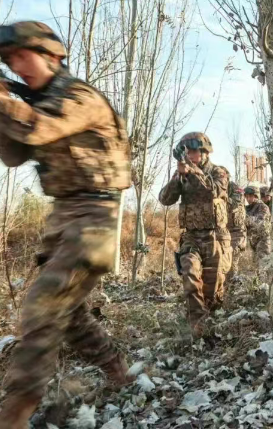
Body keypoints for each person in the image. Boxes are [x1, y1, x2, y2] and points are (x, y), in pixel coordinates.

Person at [0, 21, 132, 426]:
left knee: (42, 307)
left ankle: (13, 415)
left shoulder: (79, 97)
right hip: (64, 215)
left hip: (94, 216)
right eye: (9, 60)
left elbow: (38, 129)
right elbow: (14, 155)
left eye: (23, 55)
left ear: (53, 55)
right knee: (69, 311)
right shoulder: (40, 102)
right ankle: (119, 372)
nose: (17, 66)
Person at [159, 132, 232, 336]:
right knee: (189, 273)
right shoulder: (183, 174)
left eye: (193, 151)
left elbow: (213, 190)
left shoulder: (218, 172)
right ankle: (197, 326)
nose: (190, 156)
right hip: (191, 236)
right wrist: (179, 177)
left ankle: (213, 323)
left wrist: (192, 172)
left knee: (212, 292)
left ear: (204, 152)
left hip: (214, 237)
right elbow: (165, 199)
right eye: (187, 153)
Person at [244, 185, 271, 266]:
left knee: (263, 265)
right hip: (254, 241)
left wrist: (245, 218)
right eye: (246, 197)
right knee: (255, 265)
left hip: (263, 240)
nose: (248, 199)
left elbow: (259, 221)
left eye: (250, 196)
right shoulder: (247, 208)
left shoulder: (263, 207)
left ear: (256, 196)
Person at [227, 180, 247, 281]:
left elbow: (234, 205)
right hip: (225, 234)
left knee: (231, 263)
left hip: (237, 235)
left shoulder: (234, 190)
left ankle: (232, 285)